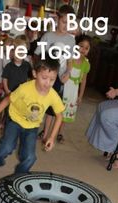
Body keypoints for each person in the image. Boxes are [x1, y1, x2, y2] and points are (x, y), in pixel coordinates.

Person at [0, 55, 65, 178]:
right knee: (7, 147)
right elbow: (7, 100)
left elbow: (59, 116)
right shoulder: (25, 88)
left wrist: (52, 137)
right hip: (15, 120)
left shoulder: (53, 95)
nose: (48, 83)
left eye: (52, 79)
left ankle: (18, 177)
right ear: (35, 74)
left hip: (32, 126)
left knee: (30, 157)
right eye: (44, 78)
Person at [34, 4, 76, 144]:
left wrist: (68, 73)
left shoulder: (71, 40)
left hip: (58, 78)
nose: (66, 25)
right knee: (39, 102)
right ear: (57, 19)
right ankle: (32, 127)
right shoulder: (47, 36)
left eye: (70, 23)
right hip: (45, 76)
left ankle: (46, 134)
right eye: (64, 22)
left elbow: (70, 60)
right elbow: (38, 55)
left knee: (52, 107)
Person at [61, 34, 91, 123]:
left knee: (66, 113)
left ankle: (60, 133)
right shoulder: (69, 58)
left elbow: (84, 81)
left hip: (73, 91)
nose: (83, 49)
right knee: (56, 111)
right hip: (63, 88)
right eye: (81, 46)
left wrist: (80, 96)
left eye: (86, 48)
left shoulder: (86, 64)